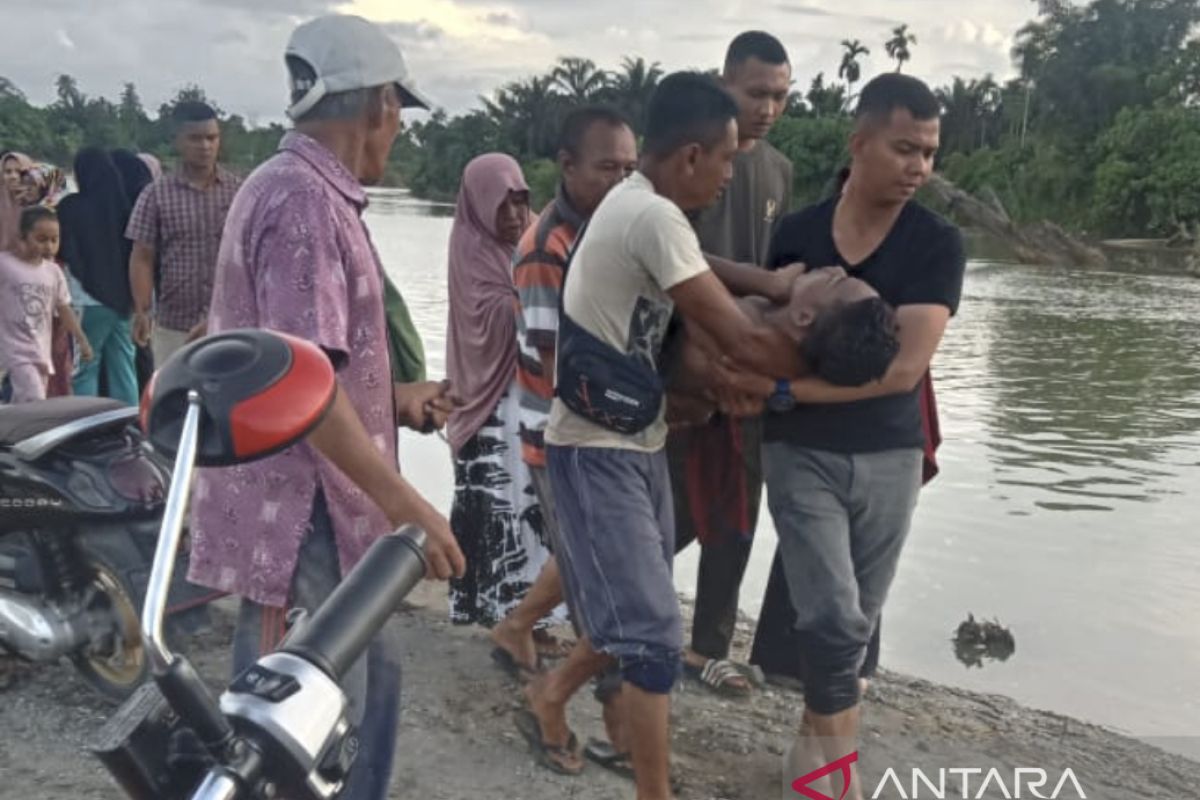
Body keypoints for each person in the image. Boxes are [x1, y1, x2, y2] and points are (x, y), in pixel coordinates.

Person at [186, 15, 464, 800]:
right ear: (377, 101)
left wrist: (395, 398)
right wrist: (410, 506)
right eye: (400, 111)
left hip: (321, 505)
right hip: (298, 508)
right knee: (290, 716)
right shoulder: (304, 204)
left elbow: (315, 361)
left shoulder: (302, 193)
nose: (401, 130)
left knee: (366, 682)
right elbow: (301, 392)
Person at [522, 72, 801, 798]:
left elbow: (701, 270)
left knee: (632, 613)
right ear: (688, 158)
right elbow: (738, 339)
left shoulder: (639, 203)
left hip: (637, 438)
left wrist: (774, 287)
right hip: (595, 449)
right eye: (726, 160)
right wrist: (824, 347)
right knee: (651, 636)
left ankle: (551, 694)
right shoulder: (653, 216)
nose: (730, 175)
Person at [762, 73, 966, 800]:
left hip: (889, 452)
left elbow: (904, 369)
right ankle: (833, 783)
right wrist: (778, 396)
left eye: (930, 153)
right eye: (905, 148)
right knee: (832, 615)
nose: (920, 167)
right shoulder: (797, 233)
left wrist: (784, 389)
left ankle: (811, 750)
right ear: (859, 143)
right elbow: (768, 335)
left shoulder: (936, 244)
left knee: (855, 622)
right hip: (800, 448)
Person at [669, 30, 795, 697]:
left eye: (780, 94)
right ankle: (615, 617)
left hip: (746, 370)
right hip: (682, 366)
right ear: (725, 83)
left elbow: (771, 272)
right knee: (666, 507)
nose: (768, 107)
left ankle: (708, 647)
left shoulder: (777, 170)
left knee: (740, 510)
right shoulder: (689, 164)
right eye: (756, 93)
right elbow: (672, 261)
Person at [444, 153, 558, 630]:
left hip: (532, 390)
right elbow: (487, 319)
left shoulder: (539, 237)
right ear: (479, 206)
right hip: (489, 397)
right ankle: (489, 607)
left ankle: (536, 615)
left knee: (535, 500)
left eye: (520, 203)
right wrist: (535, 292)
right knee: (495, 500)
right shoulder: (470, 248)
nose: (513, 217)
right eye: (502, 207)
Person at [126, 101, 240, 367]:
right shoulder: (156, 194)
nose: (205, 146)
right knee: (172, 400)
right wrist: (142, 310)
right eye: (195, 139)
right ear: (176, 141)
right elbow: (142, 256)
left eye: (212, 138)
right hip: (174, 326)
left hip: (228, 322)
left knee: (227, 404)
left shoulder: (239, 192)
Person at [57, 147, 139, 405]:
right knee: (123, 366)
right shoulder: (125, 209)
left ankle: (87, 429)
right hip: (123, 300)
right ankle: (129, 423)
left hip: (88, 299)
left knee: (86, 368)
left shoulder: (70, 207)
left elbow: (65, 251)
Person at [0, 207, 92, 403]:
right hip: (15, 350)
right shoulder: (6, 265)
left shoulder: (53, 272)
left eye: (54, 239)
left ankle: (16, 432)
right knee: (34, 398)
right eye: (41, 239)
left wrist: (81, 339)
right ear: (22, 237)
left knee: (24, 401)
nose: (49, 246)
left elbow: (64, 308)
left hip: (41, 350)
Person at [2, 152, 72, 397]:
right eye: (8, 171)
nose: (15, 180)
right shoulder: (10, 207)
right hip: (15, 301)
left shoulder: (49, 215)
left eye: (30, 182)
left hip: (45, 299)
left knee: (52, 356)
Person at [110, 150, 158, 394]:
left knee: (130, 352)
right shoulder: (146, 200)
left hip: (121, 294)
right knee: (137, 351)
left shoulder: (113, 206)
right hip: (140, 293)